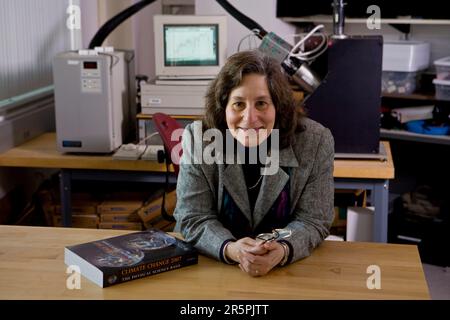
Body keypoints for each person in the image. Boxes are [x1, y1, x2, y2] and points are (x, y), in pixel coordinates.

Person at [173, 50, 334, 277]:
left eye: (261, 104)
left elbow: (313, 219)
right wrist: (232, 249)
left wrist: (281, 249)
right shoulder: (199, 138)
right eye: (238, 104)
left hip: (286, 275)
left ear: (278, 107)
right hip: (213, 270)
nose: (249, 118)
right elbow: (192, 217)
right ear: (223, 107)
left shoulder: (314, 141)